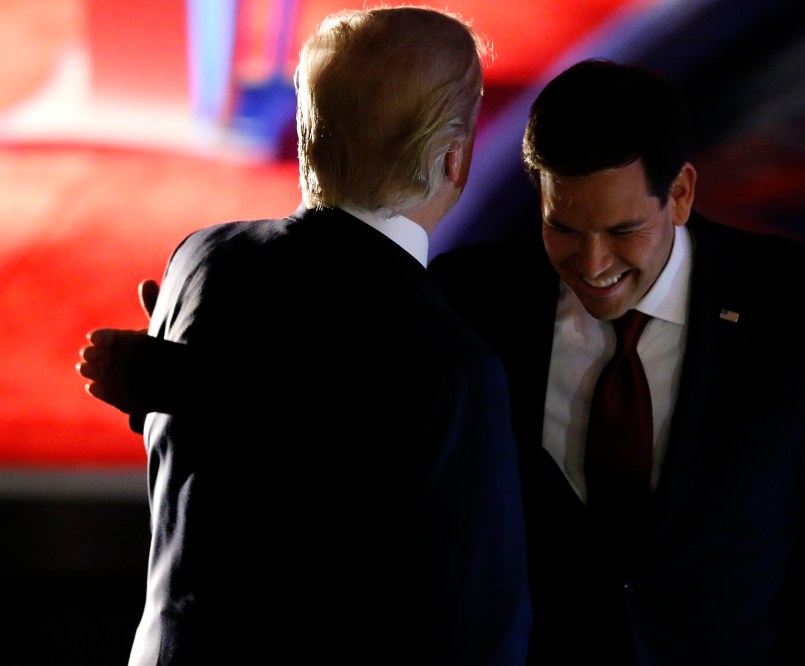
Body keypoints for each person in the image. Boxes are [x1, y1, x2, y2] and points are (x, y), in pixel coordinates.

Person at [82, 60, 805, 664]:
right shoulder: (465, 299)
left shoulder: (802, 307)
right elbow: (338, 421)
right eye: (561, 227)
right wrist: (176, 381)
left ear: (682, 192)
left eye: (623, 230)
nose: (589, 262)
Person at [78, 8, 530, 665]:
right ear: (455, 157)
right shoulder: (449, 362)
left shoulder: (202, 258)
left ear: (306, 130)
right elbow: (477, 633)